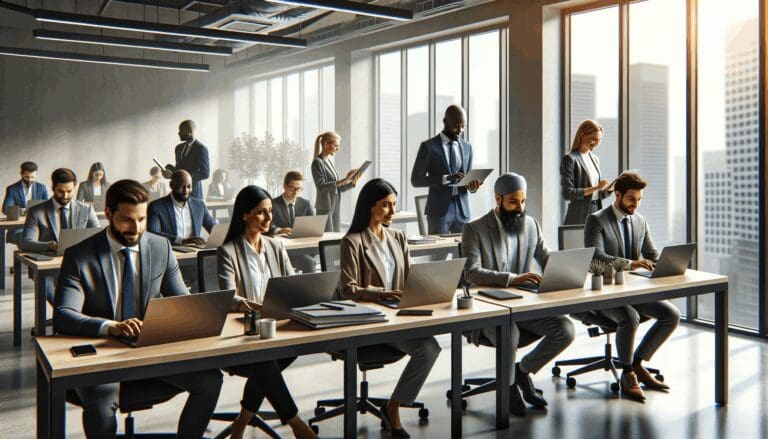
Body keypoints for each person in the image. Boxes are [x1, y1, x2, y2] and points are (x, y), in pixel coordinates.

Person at [53, 179, 222, 438]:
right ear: (108, 213)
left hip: (151, 352)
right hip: (103, 355)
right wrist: (112, 327)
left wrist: (213, 307)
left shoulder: (160, 246)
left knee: (211, 380)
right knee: (101, 400)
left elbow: (183, 302)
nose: (136, 228)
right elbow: (64, 316)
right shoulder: (79, 255)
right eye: (126, 220)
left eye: (142, 219)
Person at [462, 172, 575, 416]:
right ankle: (509, 386)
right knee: (508, 330)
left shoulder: (531, 224)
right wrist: (513, 279)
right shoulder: (474, 229)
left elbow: (547, 259)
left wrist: (568, 270)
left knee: (565, 330)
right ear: (498, 199)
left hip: (524, 306)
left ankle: (522, 372)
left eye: (523, 202)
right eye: (513, 202)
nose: (520, 208)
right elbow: (471, 273)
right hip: (487, 309)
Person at [339, 178, 441, 438]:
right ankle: (393, 412)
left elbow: (408, 279)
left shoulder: (398, 237)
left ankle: (393, 404)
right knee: (427, 347)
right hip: (370, 320)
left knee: (430, 347)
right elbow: (348, 289)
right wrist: (383, 293)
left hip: (399, 316)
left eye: (394, 205)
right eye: (386, 205)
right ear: (370, 206)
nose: (393, 212)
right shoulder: (352, 241)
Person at [217, 185, 317, 439]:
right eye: (261, 212)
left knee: (268, 365)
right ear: (244, 215)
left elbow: (291, 283)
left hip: (277, 328)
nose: (269, 218)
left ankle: (241, 423)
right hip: (245, 333)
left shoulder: (276, 246)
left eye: (270, 211)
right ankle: (297, 425)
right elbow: (229, 297)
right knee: (265, 364)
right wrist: (255, 306)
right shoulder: (227, 251)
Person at [584, 172, 680, 402]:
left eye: (639, 199)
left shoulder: (640, 220)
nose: (635, 204)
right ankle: (626, 374)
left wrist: (666, 264)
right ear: (617, 195)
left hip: (633, 290)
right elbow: (596, 258)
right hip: (604, 292)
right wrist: (630, 263)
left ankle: (636, 364)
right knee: (629, 317)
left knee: (672, 315)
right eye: (630, 199)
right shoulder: (596, 220)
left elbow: (652, 253)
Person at [21, 168, 100, 303]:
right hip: (49, 266)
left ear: (75, 188)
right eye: (60, 191)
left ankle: (70, 316)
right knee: (49, 288)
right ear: (53, 188)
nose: (65, 196)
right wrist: (51, 246)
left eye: (69, 191)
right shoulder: (36, 211)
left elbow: (98, 237)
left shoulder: (86, 209)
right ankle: (67, 315)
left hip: (79, 263)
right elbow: (26, 242)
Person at [411, 105, 482, 235]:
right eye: (456, 126)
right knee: (439, 254)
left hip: (463, 210)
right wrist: (445, 178)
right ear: (445, 122)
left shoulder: (467, 147)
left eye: (463, 126)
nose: (460, 130)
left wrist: (473, 186)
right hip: (439, 212)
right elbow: (416, 180)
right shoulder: (429, 147)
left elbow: (466, 177)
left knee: (465, 253)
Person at [560, 120, 611, 225]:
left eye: (599, 140)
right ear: (583, 135)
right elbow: (567, 193)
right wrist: (596, 188)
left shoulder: (595, 159)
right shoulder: (570, 159)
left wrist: (609, 189)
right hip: (579, 214)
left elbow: (597, 195)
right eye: (594, 139)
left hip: (597, 211)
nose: (597, 143)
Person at [148, 170, 216, 247]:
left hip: (195, 253)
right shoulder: (156, 206)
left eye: (189, 187)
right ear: (171, 185)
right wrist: (182, 241)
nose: (186, 191)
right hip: (170, 252)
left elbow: (214, 228)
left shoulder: (199, 205)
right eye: (181, 187)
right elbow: (153, 234)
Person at [311, 131, 360, 232]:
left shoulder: (328, 161)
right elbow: (321, 187)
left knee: (336, 236)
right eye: (336, 145)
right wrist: (345, 179)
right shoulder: (317, 163)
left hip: (335, 205)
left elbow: (336, 189)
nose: (338, 148)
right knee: (328, 239)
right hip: (325, 207)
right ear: (326, 144)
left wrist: (351, 183)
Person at [269, 171, 317, 273]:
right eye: (293, 188)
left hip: (303, 246)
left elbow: (313, 224)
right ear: (284, 186)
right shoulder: (273, 204)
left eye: (299, 189)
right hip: (283, 249)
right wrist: (279, 230)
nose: (296, 192)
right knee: (309, 262)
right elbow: (267, 225)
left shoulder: (305, 204)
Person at [2, 161, 49, 243]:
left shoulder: (42, 188)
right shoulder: (12, 189)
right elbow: (6, 209)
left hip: (37, 226)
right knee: (27, 238)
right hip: (18, 228)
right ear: (21, 174)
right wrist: (23, 211)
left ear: (36, 174)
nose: (30, 180)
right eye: (27, 177)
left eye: (32, 177)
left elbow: (48, 208)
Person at [165, 119, 210, 199]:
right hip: (177, 192)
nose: (178, 133)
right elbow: (179, 168)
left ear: (190, 131)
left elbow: (205, 173)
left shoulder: (201, 149)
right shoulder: (178, 148)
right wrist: (169, 169)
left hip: (193, 193)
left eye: (181, 130)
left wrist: (186, 179)